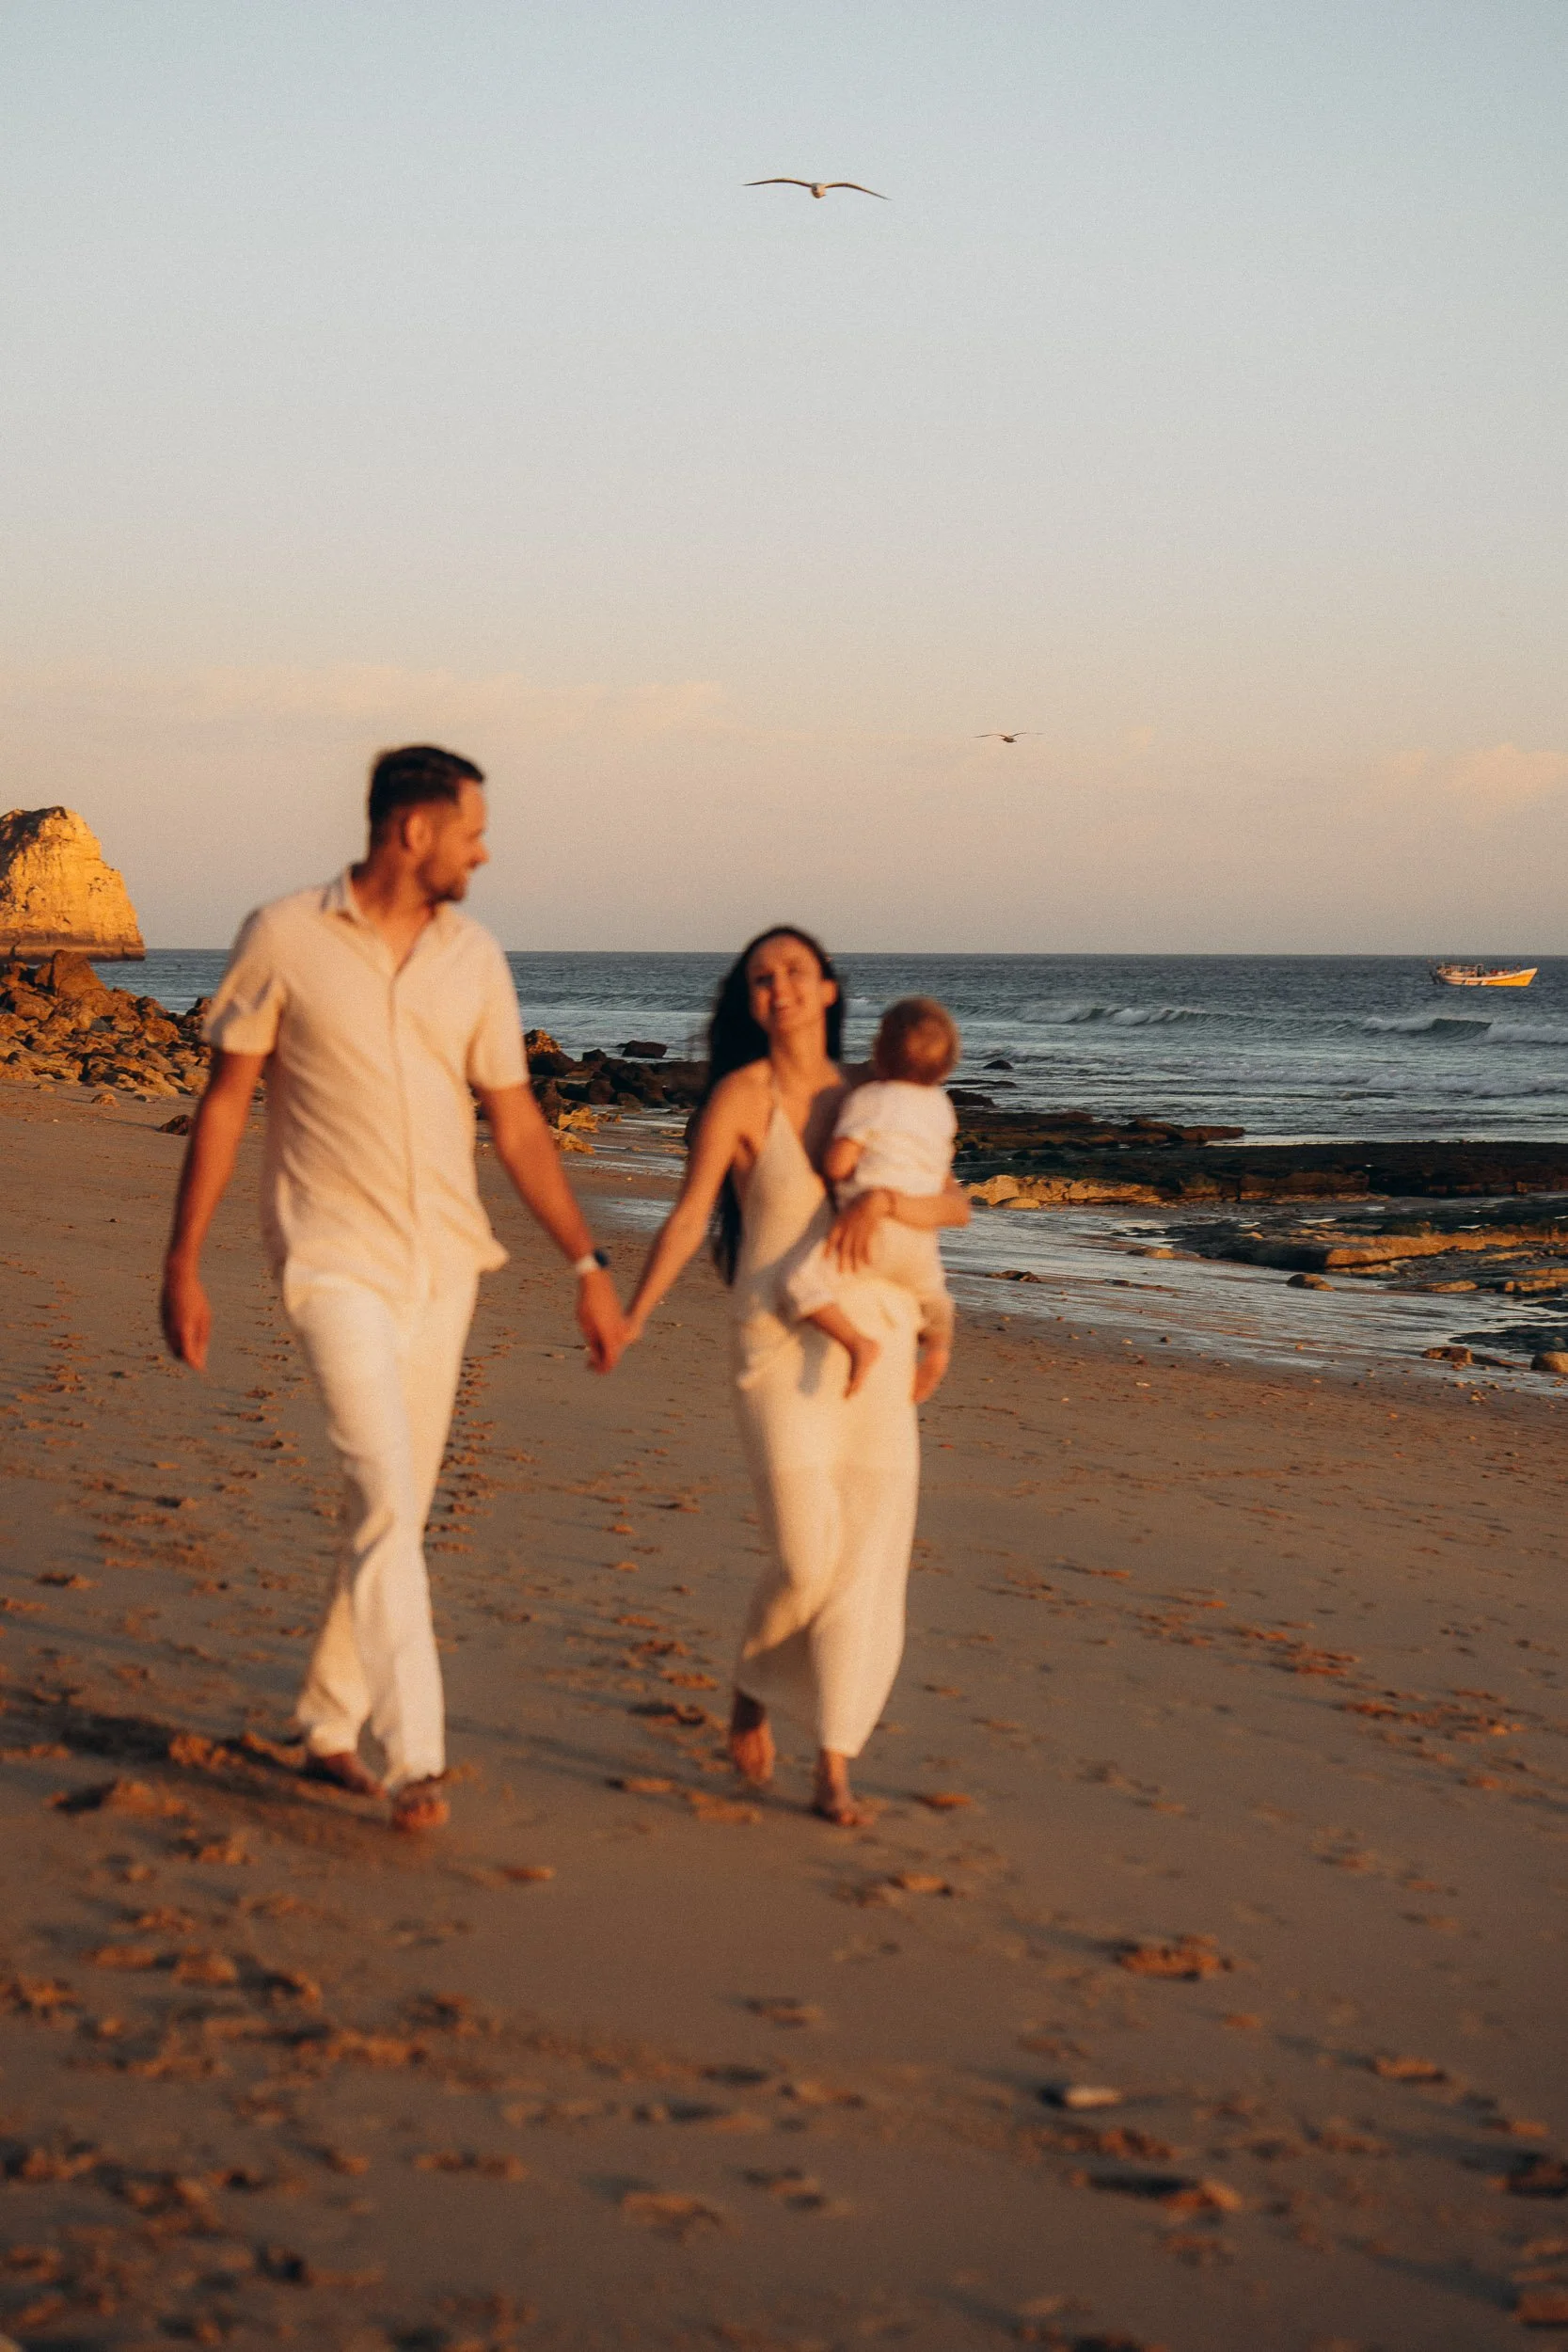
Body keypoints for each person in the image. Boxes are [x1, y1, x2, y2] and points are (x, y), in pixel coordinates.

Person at [159, 744, 626, 1834]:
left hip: (446, 1264)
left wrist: (587, 1264)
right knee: (381, 1493)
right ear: (413, 831)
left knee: (397, 1508)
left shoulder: (474, 958)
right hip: (330, 1259)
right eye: (473, 831)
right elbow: (225, 1102)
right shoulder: (283, 934)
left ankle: (328, 1718)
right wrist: (181, 1259)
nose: (484, 852)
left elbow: (516, 1123)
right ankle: (417, 1759)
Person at [624, 928, 970, 1826]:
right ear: (751, 1000)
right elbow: (689, 1217)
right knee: (807, 1557)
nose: (776, 987)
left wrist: (886, 1201)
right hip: (777, 1342)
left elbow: (951, 1203)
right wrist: (630, 1313)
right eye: (760, 978)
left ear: (827, 990)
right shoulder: (742, 1095)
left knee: (870, 1556)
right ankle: (752, 1688)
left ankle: (834, 1761)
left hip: (880, 1336)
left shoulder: (882, 1091)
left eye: (793, 973)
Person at [780, 995, 959, 1399]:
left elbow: (838, 1164)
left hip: (868, 1232)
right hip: (919, 1232)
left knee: (800, 1281)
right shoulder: (942, 1107)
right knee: (933, 1294)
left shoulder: (869, 1099)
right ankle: (938, 1349)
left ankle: (857, 1343)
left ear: (879, 1049)